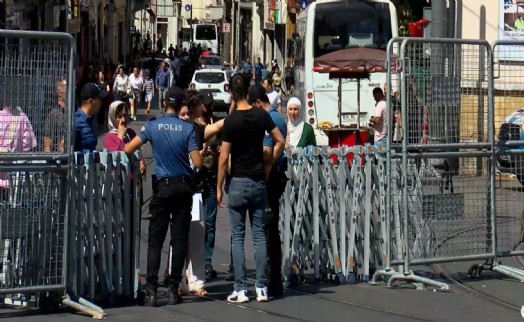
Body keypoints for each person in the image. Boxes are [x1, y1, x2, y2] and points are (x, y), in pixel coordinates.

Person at [124, 86, 203, 307]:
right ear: (180, 106)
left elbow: (129, 148)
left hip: (162, 188)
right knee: (178, 240)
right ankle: (172, 289)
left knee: (155, 241)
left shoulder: (152, 126)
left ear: (164, 102)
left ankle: (150, 290)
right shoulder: (187, 129)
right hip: (182, 188)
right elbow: (197, 162)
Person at [217, 74, 285, 303]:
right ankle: (262, 288)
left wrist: (218, 186)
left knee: (237, 236)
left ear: (232, 94)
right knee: (259, 236)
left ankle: (240, 288)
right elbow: (280, 141)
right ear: (248, 91)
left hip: (237, 180)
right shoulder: (261, 115)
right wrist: (268, 165)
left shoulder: (231, 121)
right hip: (258, 181)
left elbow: (224, 156)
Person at [248, 84, 287, 298]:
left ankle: (272, 279)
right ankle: (274, 278)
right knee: (271, 229)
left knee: (268, 229)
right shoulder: (276, 118)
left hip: (270, 178)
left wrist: (262, 177)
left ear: (257, 103)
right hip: (274, 176)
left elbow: (266, 154)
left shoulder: (269, 120)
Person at [74, 83, 103, 152]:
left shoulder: (91, 120)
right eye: (99, 99)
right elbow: (64, 145)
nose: (101, 102)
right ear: (91, 101)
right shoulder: (77, 121)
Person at [43, 79, 68, 152]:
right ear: (59, 93)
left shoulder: (73, 112)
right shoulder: (53, 114)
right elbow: (47, 145)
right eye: (67, 87)